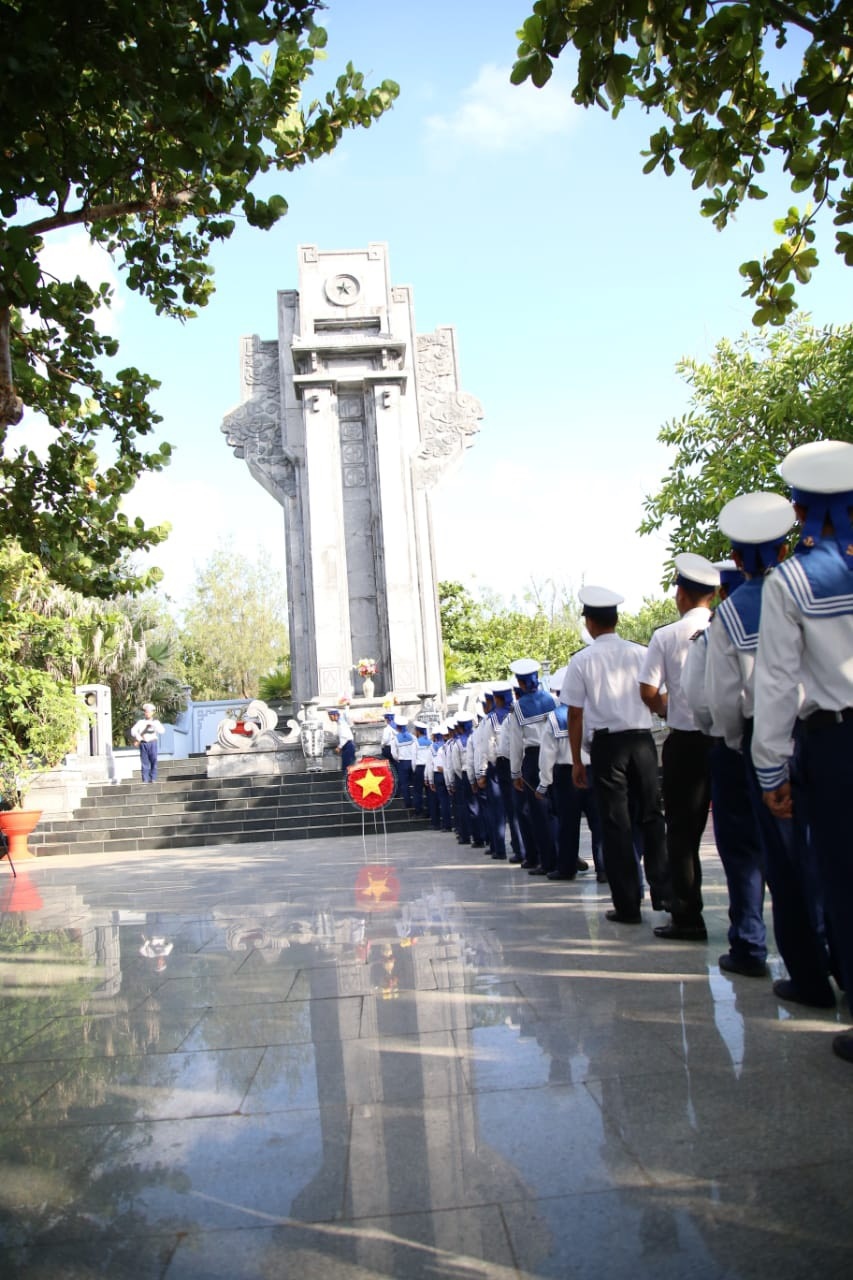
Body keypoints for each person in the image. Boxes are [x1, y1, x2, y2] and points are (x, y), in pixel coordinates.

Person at [751, 440, 853, 1060]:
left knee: (845, 879)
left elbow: (778, 684)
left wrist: (770, 769)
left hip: (837, 744)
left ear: (800, 510)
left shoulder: (791, 580)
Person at [562, 586, 669, 924]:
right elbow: (660, 698)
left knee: (616, 824)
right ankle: (664, 894)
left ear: (590, 623)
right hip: (642, 741)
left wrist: (577, 759)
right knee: (652, 817)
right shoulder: (640, 652)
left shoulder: (581, 660)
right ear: (617, 619)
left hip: (608, 748)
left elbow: (575, 714)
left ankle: (628, 903)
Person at [639, 552, 719, 941]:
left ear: (682, 595)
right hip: (729, 739)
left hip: (686, 741)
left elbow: (648, 690)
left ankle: (688, 916)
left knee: (683, 835)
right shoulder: (727, 626)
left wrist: (668, 707)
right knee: (742, 834)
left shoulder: (666, 636)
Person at [536, 666, 597, 880]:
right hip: (591, 770)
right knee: (598, 822)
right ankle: (605, 867)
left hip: (566, 774)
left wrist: (544, 782)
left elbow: (547, 755)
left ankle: (566, 867)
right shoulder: (591, 711)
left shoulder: (554, 718)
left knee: (568, 824)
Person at [508, 658, 557, 874]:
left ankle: (547, 861)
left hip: (532, 759)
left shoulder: (518, 708)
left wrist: (515, 772)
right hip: (555, 756)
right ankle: (565, 855)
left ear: (520, 683)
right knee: (556, 810)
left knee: (538, 815)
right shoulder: (552, 700)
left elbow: (516, 743)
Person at [130, 703, 165, 783]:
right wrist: (139, 738)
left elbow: (162, 731)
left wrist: (154, 725)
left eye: (149, 711)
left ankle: (153, 778)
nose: (147, 713)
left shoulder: (156, 722)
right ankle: (145, 779)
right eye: (146, 712)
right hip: (144, 743)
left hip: (153, 743)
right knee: (144, 762)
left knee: (153, 761)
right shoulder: (140, 722)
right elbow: (133, 731)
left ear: (153, 712)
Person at [390, 712, 415, 806]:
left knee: (404, 784)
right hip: (412, 761)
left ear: (397, 727)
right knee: (414, 783)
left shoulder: (395, 739)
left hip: (402, 762)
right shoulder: (412, 737)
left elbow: (393, 753)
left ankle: (408, 803)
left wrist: (398, 760)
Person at [327, 707, 355, 771]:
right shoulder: (340, 723)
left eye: (330, 716)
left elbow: (344, 737)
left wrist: (339, 747)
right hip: (347, 746)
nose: (330, 718)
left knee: (347, 767)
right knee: (347, 767)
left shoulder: (341, 724)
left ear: (336, 715)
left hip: (348, 746)